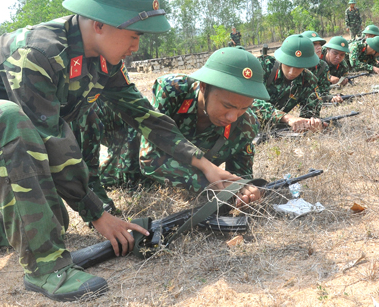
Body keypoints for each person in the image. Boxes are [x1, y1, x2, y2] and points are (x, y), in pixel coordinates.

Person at [0, 0, 237, 302]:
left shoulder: (103, 62)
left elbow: (145, 115)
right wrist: (97, 213)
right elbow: (48, 137)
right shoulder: (39, 52)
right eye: (134, 35)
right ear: (99, 24)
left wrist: (204, 164)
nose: (136, 46)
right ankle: (45, 270)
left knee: (48, 221)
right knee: (10, 120)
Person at [80, 47, 269, 202]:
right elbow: (150, 160)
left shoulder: (246, 124)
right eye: (227, 106)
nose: (233, 117)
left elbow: (240, 178)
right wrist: (209, 185)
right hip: (127, 177)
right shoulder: (174, 91)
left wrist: (246, 192)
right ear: (204, 86)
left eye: (243, 108)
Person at [252, 34, 324, 132]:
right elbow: (248, 101)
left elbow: (310, 113)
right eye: (288, 64)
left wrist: (311, 124)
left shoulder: (309, 80)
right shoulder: (262, 66)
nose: (291, 72)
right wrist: (287, 118)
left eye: (298, 67)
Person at [302, 31, 343, 103]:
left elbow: (324, 92)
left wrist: (331, 98)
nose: (319, 47)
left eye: (319, 44)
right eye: (314, 44)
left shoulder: (322, 66)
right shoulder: (294, 66)